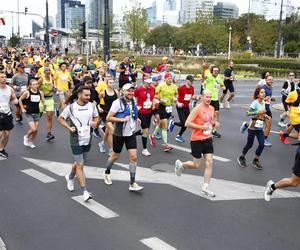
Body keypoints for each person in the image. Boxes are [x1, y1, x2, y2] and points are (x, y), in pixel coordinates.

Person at [58, 86, 100, 202]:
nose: (88, 97)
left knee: (79, 162)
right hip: (76, 139)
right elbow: (60, 118)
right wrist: (68, 127)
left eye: (89, 95)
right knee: (80, 165)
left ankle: (70, 177)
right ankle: (84, 191)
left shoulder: (92, 106)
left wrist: (95, 123)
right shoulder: (71, 108)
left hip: (87, 138)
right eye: (86, 95)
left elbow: (97, 117)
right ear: (79, 95)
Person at [174, 89, 219, 197]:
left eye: (210, 97)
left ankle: (205, 187)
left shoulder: (212, 108)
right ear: (202, 97)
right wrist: (201, 127)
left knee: (209, 163)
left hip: (208, 139)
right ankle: (181, 165)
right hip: (197, 140)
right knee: (196, 165)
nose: (208, 99)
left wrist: (215, 124)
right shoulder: (197, 109)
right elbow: (187, 123)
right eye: (206, 97)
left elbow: (211, 121)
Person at [103, 83, 143, 191]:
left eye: (132, 91)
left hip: (130, 134)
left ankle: (132, 183)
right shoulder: (117, 103)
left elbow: (132, 112)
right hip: (119, 134)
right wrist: (122, 120)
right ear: (123, 92)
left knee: (134, 157)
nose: (131, 93)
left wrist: (136, 119)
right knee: (115, 156)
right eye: (128, 91)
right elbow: (108, 117)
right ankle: (107, 172)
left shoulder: (133, 100)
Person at [237, 87, 269, 170]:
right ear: (258, 94)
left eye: (264, 92)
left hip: (260, 127)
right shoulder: (254, 103)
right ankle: (241, 157)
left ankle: (256, 160)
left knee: (262, 144)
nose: (264, 94)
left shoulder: (263, 103)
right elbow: (248, 113)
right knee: (249, 144)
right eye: (262, 92)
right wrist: (257, 112)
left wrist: (265, 116)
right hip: (253, 127)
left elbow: (262, 113)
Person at [149, 72, 178, 152]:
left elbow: (176, 95)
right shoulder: (161, 86)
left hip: (169, 107)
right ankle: (166, 145)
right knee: (165, 125)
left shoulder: (174, 86)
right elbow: (154, 94)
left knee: (161, 125)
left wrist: (175, 99)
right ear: (165, 79)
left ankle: (152, 136)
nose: (170, 79)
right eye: (168, 78)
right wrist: (160, 99)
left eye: (171, 78)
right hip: (161, 106)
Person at [169, 75, 197, 142]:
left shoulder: (192, 88)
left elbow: (191, 96)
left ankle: (178, 136)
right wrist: (178, 103)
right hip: (180, 107)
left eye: (193, 81)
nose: (192, 82)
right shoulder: (181, 88)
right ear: (187, 80)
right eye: (191, 81)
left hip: (186, 107)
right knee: (184, 123)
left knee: (187, 123)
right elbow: (175, 97)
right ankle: (173, 123)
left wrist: (195, 98)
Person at [19, 79, 44, 149]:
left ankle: (30, 141)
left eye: (37, 84)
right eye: (34, 84)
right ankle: (26, 137)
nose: (36, 86)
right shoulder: (27, 93)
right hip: (29, 113)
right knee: (33, 129)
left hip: (37, 112)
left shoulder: (40, 92)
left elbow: (43, 101)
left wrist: (44, 106)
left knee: (36, 130)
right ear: (30, 85)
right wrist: (22, 108)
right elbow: (20, 100)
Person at [134, 78, 155, 156]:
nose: (149, 84)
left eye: (150, 83)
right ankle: (144, 149)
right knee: (146, 130)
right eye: (148, 83)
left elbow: (152, 98)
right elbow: (134, 97)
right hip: (141, 112)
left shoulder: (153, 89)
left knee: (145, 130)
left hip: (149, 112)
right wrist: (136, 106)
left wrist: (152, 105)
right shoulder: (139, 89)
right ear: (144, 82)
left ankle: (134, 134)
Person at [98, 79, 119, 155]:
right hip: (105, 114)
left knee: (107, 131)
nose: (112, 84)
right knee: (111, 131)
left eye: (113, 82)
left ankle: (102, 143)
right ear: (107, 84)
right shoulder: (103, 93)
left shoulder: (116, 92)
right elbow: (97, 100)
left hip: (113, 114)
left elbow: (118, 102)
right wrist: (99, 107)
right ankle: (111, 150)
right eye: (110, 82)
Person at [0, 72, 18, 158]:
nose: (4, 79)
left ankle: (1, 149)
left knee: (6, 135)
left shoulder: (10, 89)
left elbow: (14, 98)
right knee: (0, 134)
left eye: (5, 77)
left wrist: (15, 101)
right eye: (2, 77)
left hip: (7, 113)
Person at [203, 66, 224, 138]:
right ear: (212, 71)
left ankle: (214, 131)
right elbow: (203, 82)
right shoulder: (208, 76)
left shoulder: (219, 77)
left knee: (216, 114)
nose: (216, 72)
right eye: (214, 70)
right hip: (209, 98)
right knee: (206, 114)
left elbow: (223, 87)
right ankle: (204, 129)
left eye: (217, 71)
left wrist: (220, 87)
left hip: (215, 99)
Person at [37, 67, 55, 141]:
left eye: (49, 70)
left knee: (49, 117)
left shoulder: (52, 79)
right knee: (38, 115)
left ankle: (49, 133)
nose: (48, 71)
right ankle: (34, 128)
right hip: (41, 100)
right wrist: (42, 93)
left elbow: (52, 88)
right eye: (47, 70)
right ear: (44, 72)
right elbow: (35, 89)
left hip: (50, 99)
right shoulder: (41, 79)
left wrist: (53, 89)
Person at [261, 75, 275, 147]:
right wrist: (265, 99)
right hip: (263, 108)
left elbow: (268, 97)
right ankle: (264, 140)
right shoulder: (263, 87)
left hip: (267, 108)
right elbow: (257, 97)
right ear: (266, 80)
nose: (271, 81)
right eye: (269, 80)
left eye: (272, 80)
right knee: (268, 124)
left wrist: (271, 99)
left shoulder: (270, 87)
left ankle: (246, 125)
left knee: (267, 124)